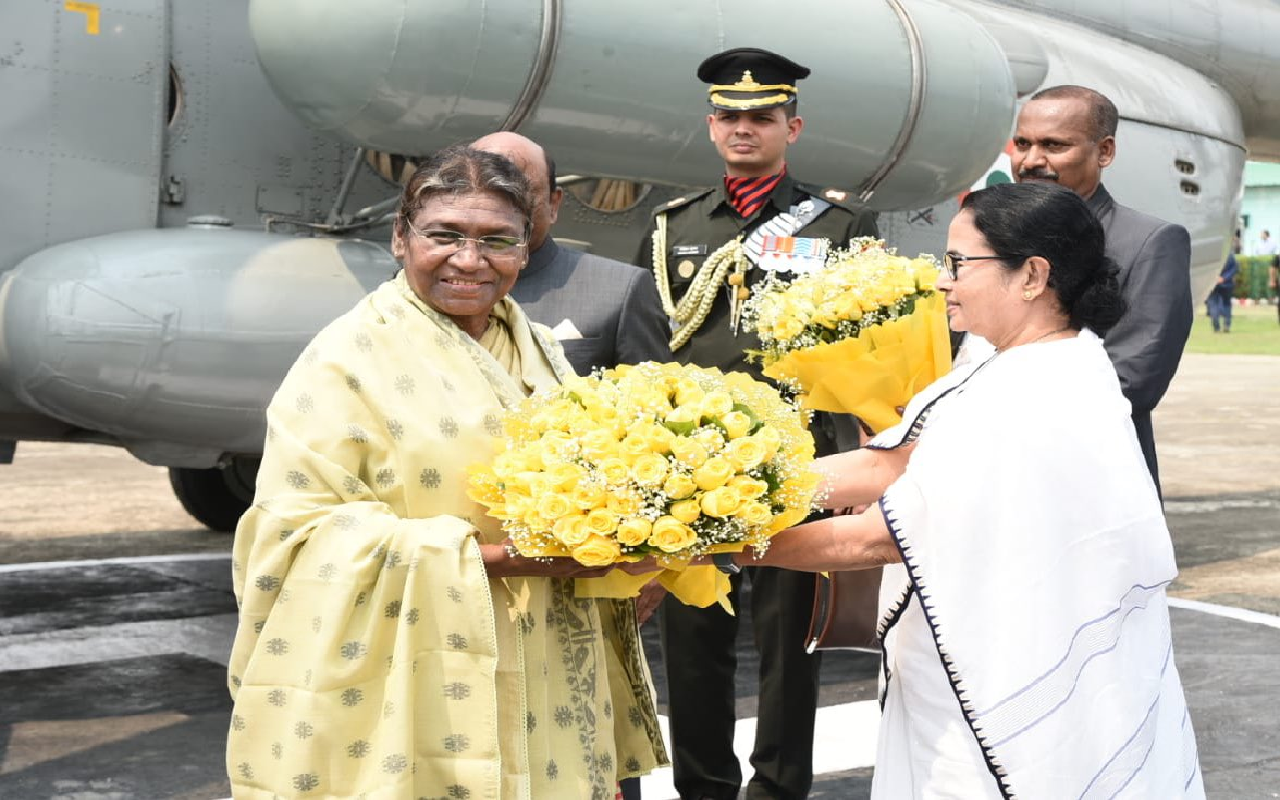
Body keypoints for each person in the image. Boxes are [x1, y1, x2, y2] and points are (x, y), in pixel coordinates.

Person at [722, 181, 1204, 798]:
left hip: (1000, 689)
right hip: (969, 673)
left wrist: (722, 545)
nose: (942, 282)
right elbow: (890, 465)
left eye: (958, 263)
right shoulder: (1027, 363)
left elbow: (875, 538)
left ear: (1032, 276)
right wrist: (728, 487)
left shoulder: (1037, 388)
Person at [225, 145, 667, 799]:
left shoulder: (540, 348)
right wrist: (499, 560)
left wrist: (640, 551)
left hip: (548, 659)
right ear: (400, 239)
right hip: (418, 665)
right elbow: (298, 535)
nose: (469, 260)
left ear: (527, 248)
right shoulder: (346, 359)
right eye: (445, 235)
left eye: (497, 240)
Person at [634, 47, 878, 800]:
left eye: (762, 117)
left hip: (797, 461)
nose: (744, 128)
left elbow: (869, 349)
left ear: (791, 128)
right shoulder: (673, 226)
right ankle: (704, 787)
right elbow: (651, 342)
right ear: (711, 127)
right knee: (692, 639)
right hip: (693, 463)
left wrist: (859, 463)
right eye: (729, 116)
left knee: (788, 644)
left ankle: (778, 789)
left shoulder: (840, 224)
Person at [473, 130, 672, 800]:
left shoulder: (616, 289)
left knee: (590, 753)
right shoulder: (427, 293)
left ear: (553, 204)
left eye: (519, 189)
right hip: (465, 573)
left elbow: (655, 438)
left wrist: (653, 563)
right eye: (483, 183)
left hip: (580, 580)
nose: (500, 201)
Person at [1012, 84, 1192, 492]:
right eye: (1022, 144)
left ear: (1105, 152)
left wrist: (988, 409)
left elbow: (1131, 381)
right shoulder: (991, 238)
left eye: (1054, 145)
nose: (1030, 161)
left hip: (1091, 483)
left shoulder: (1150, 242)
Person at [1207, 252, 1239, 332]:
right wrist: (1224, 278)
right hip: (1227, 283)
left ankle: (1216, 326)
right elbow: (1235, 268)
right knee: (1226, 304)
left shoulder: (1210, 254)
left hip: (1213, 283)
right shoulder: (1229, 254)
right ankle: (1226, 325)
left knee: (1213, 304)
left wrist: (1215, 277)